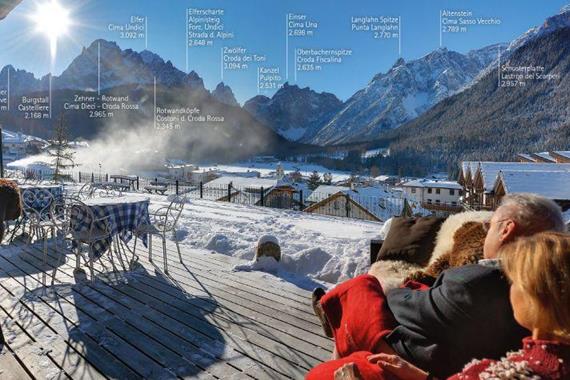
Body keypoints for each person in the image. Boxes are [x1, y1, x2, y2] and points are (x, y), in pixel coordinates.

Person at [308, 194, 567, 379]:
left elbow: (407, 308)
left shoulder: (478, 282)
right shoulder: (547, 354)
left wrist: (399, 291)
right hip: (433, 355)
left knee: (363, 288)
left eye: (489, 226)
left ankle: (342, 323)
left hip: (418, 351)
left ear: (507, 230)